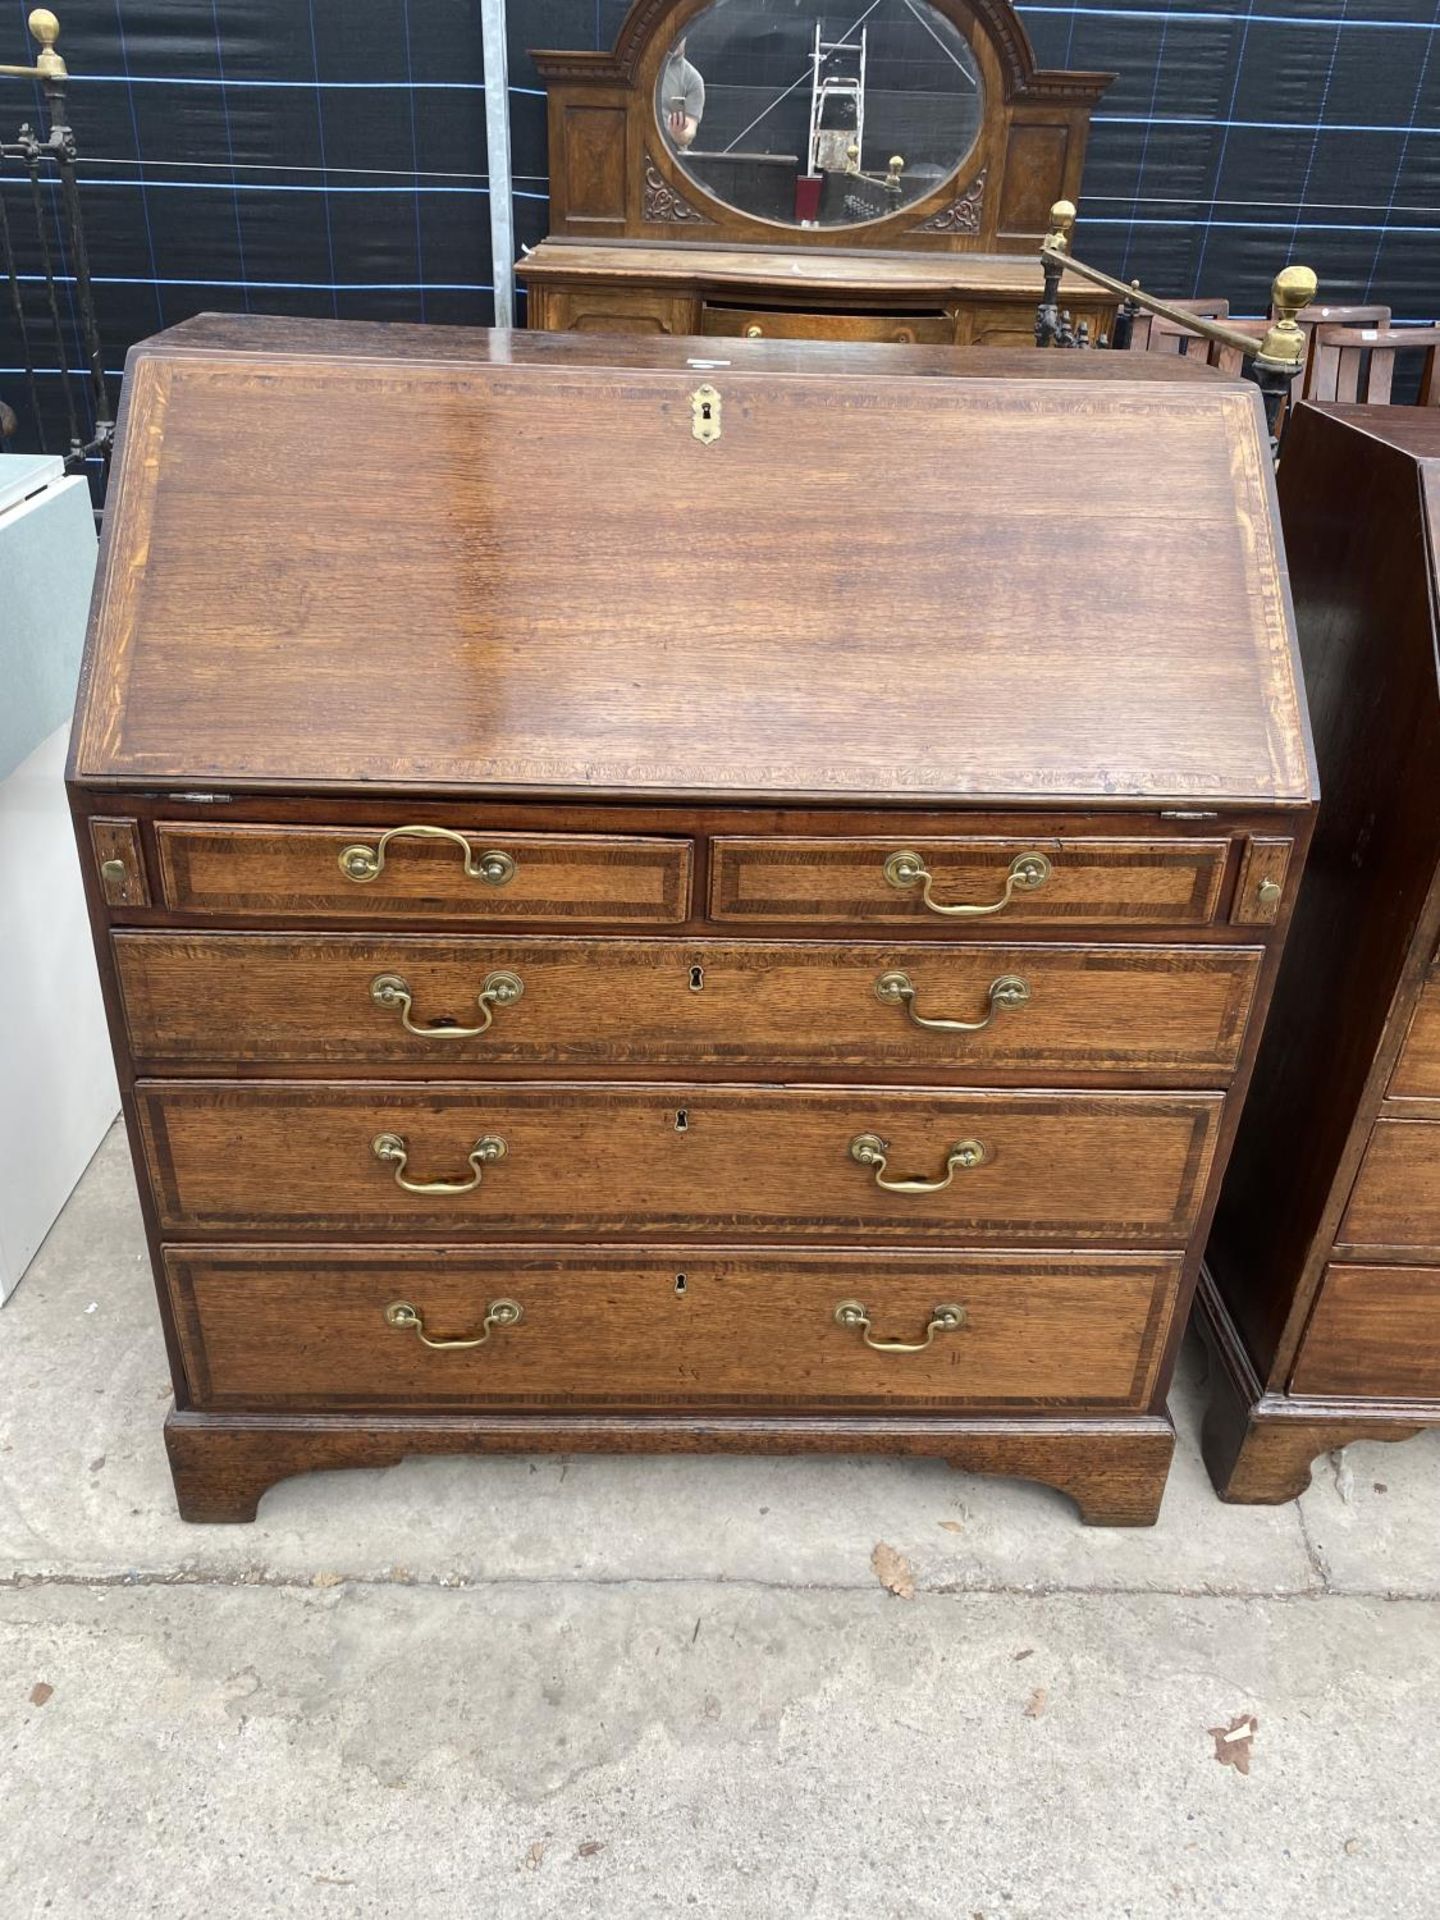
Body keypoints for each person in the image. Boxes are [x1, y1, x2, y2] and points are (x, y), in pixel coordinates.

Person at [660, 37, 704, 149]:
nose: (674, 39)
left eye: (679, 34)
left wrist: (678, 132)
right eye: (671, 34)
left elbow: (689, 132)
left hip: (669, 158)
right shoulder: (639, 67)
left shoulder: (692, 79)